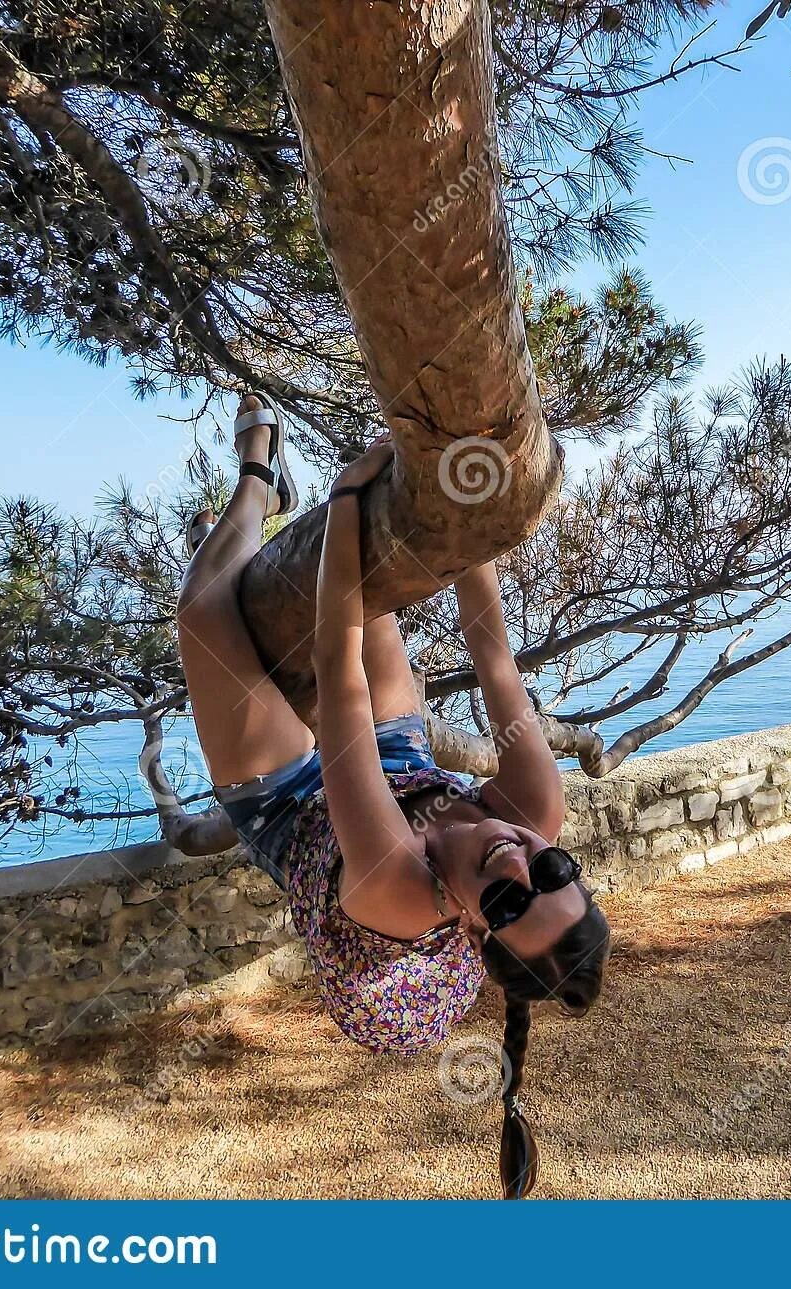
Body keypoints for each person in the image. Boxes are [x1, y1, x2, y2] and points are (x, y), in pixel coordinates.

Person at [175, 395, 610, 1198]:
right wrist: (465, 510)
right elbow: (495, 655)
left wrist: (343, 500)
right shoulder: (533, 814)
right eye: (552, 875)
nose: (519, 863)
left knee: (204, 611)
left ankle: (258, 481)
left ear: (474, 930)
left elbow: (340, 689)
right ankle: (294, 505)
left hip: (294, 811)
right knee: (367, 590)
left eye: (511, 906)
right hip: (408, 769)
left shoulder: (395, 892)